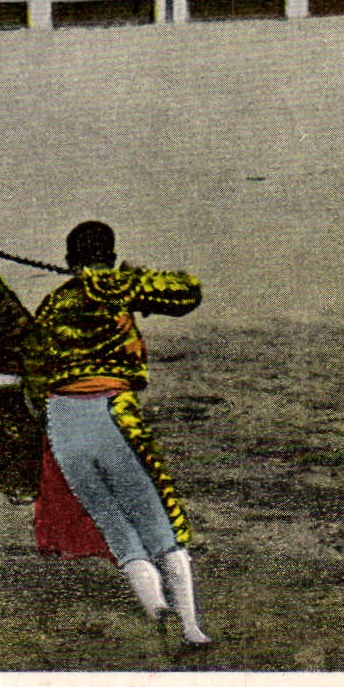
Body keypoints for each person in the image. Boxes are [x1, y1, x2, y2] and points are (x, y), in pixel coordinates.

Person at [24, 220, 210, 646]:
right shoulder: (122, 288)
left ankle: (156, 607)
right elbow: (188, 292)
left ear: (69, 260)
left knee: (114, 524)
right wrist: (130, 276)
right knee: (159, 524)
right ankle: (190, 627)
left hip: (65, 423)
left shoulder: (53, 304)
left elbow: (33, 371)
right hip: (114, 415)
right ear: (110, 257)